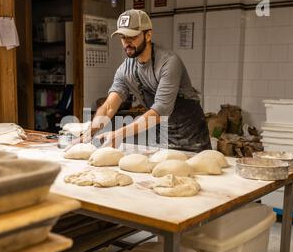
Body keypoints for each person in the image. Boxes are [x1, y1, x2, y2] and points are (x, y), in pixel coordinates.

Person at [86, 9, 211, 152]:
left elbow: (160, 111)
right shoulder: (125, 69)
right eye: (123, 37)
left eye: (132, 37)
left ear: (148, 35)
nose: (127, 42)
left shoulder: (168, 62)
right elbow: (108, 106)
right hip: (162, 134)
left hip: (191, 135)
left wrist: (118, 134)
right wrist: (89, 133)